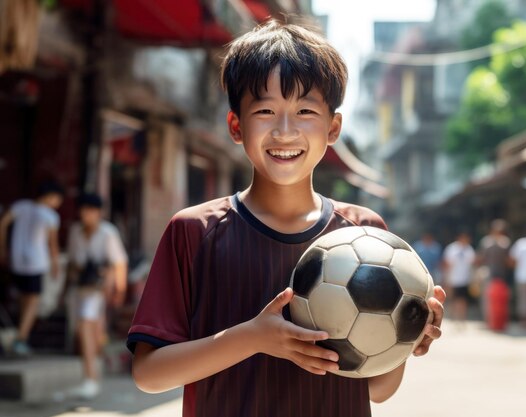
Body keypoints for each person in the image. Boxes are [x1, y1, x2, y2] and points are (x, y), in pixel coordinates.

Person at [127, 20, 445, 417]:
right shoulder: (195, 231)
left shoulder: (367, 236)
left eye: (305, 111)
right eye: (265, 110)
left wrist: (407, 336)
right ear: (236, 126)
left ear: (333, 128)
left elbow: (379, 389)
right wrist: (252, 338)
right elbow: (149, 373)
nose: (284, 130)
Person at [66, 193, 128, 399]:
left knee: (86, 328)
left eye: (91, 210)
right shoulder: (75, 232)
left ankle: (90, 379)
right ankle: (92, 375)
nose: (87, 215)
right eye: (84, 210)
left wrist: (119, 290)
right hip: (81, 289)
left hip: (100, 291)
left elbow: (119, 263)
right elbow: (73, 263)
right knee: (87, 333)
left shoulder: (108, 232)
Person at [0, 181, 64, 356]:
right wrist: (56, 265)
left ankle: (20, 335)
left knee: (23, 300)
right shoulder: (50, 216)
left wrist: (3, 248)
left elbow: (3, 223)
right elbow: (53, 245)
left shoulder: (21, 206)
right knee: (32, 302)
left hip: (17, 261)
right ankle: (20, 338)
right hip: (36, 262)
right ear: (51, 196)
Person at [476, 219, 511, 319]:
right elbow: (480, 258)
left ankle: (499, 318)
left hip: (501, 275)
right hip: (489, 274)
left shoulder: (504, 242)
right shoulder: (487, 242)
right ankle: (489, 318)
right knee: (487, 297)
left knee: (500, 298)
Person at [442, 231, 475, 326]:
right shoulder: (452, 249)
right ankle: (454, 318)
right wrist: (446, 278)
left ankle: (462, 318)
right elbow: (447, 264)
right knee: (453, 299)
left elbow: (471, 265)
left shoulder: (469, 250)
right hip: (453, 279)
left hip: (465, 279)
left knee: (463, 300)